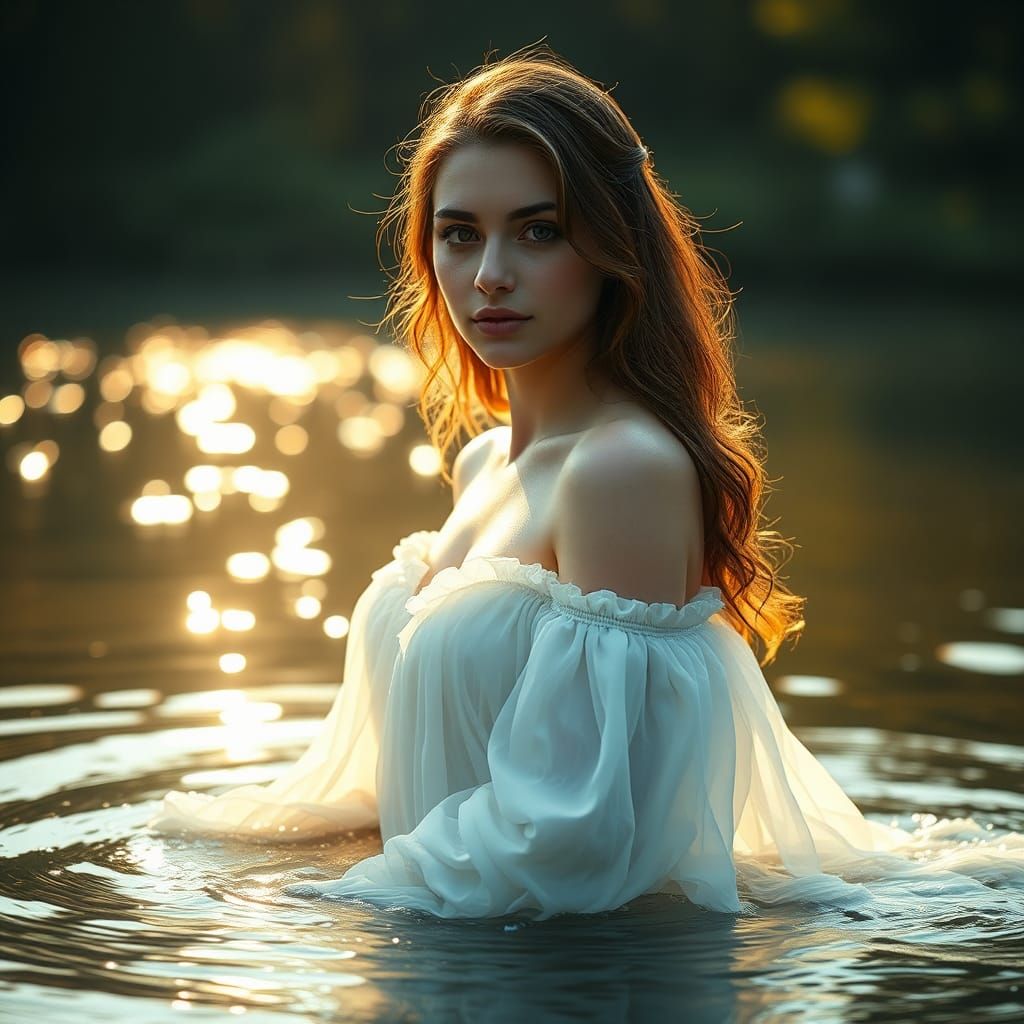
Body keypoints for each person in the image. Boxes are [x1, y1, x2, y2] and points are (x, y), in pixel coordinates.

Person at [148, 44, 914, 918]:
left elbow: (584, 831)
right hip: (448, 946)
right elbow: (391, 769)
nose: (490, 275)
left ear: (612, 246)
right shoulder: (483, 463)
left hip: (570, 979)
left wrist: (328, 912)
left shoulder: (621, 470)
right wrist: (226, 857)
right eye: (460, 233)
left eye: (539, 231)